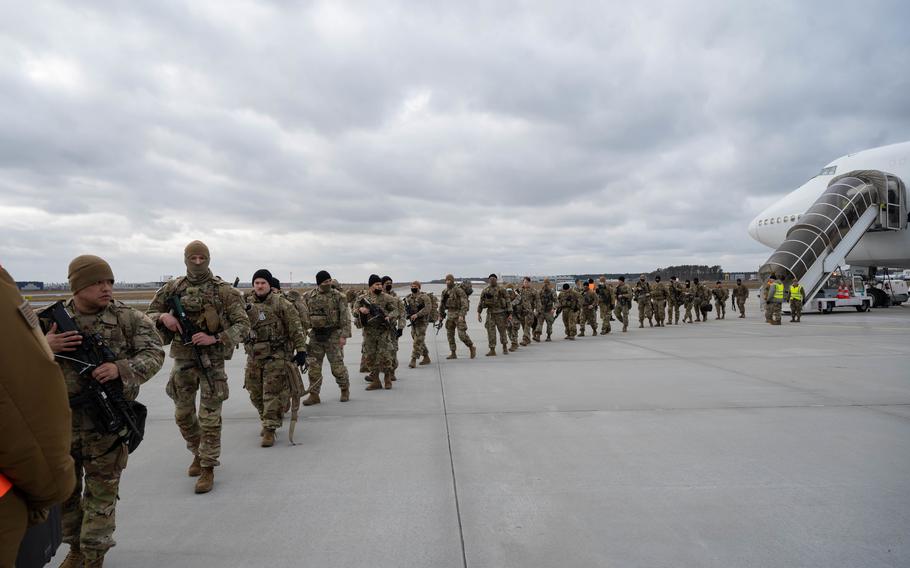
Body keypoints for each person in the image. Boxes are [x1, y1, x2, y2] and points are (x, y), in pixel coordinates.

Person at [41, 255, 164, 567]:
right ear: (78, 285)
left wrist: (120, 368)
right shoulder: (46, 322)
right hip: (59, 425)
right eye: (98, 282)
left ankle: (94, 556)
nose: (107, 288)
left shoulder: (128, 318)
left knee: (101, 496)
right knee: (65, 495)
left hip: (105, 424)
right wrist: (44, 345)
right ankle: (76, 549)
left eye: (110, 281)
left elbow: (154, 352)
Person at [147, 241, 250, 494]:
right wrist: (163, 317)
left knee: (210, 417)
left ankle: (207, 467)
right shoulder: (173, 288)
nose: (197, 262)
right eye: (192, 258)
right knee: (183, 415)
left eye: (201, 258)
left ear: (208, 259)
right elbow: (147, 316)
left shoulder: (224, 291)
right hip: (182, 358)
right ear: (185, 259)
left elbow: (243, 325)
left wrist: (215, 338)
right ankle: (197, 451)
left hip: (211, 361)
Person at [0, 266, 75, 568]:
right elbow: (23, 398)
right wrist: (51, 489)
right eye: (97, 282)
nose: (106, 288)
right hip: (30, 466)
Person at [242, 269, 307, 447]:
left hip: (276, 355)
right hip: (254, 355)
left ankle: (270, 429)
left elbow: (296, 328)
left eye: (263, 283)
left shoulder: (282, 304)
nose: (260, 286)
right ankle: (266, 418)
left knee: (272, 393)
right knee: (254, 392)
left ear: (269, 285)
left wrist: (301, 349)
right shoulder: (245, 304)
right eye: (257, 283)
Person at [303, 270, 352, 404]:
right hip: (315, 336)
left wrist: (344, 336)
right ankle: (314, 394)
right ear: (319, 283)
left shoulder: (339, 297)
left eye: (329, 281)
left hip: (333, 335)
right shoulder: (308, 296)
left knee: (337, 367)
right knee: (313, 367)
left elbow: (345, 318)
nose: (328, 284)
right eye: (325, 282)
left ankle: (344, 389)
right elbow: (303, 315)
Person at [355, 275, 400, 389]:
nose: (380, 286)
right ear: (371, 286)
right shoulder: (362, 298)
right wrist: (361, 310)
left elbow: (395, 310)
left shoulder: (387, 297)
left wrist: (389, 316)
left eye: (380, 284)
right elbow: (354, 310)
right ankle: (376, 381)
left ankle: (387, 378)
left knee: (385, 356)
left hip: (383, 331)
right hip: (369, 332)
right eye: (377, 284)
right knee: (370, 356)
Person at [440, 274, 476, 359]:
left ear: (452, 281)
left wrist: (461, 315)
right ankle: (453, 353)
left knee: (461, 335)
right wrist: (441, 315)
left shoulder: (459, 290)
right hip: (449, 315)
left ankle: (471, 346)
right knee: (450, 335)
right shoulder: (445, 291)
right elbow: (442, 304)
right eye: (447, 280)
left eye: (449, 280)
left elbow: (465, 303)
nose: (448, 282)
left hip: (458, 314)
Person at [477, 274, 512, 356]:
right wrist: (479, 313)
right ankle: (492, 350)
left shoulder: (501, 289)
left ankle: (504, 347)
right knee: (491, 332)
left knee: (502, 331)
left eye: (493, 279)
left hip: (501, 314)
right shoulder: (486, 290)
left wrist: (510, 313)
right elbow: (481, 302)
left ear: (496, 280)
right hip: (490, 314)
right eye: (490, 279)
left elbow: (508, 301)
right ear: (489, 280)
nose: (492, 280)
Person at [381, 276, 405, 380]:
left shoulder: (395, 298)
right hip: (380, 329)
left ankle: (392, 371)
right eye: (386, 283)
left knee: (393, 350)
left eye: (390, 283)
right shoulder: (378, 296)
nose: (389, 284)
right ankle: (376, 373)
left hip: (391, 328)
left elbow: (402, 313)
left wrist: (400, 328)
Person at [404, 281, 432, 368]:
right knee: (416, 338)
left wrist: (417, 314)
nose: (413, 287)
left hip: (422, 322)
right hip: (414, 322)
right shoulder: (408, 298)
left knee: (418, 340)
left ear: (419, 287)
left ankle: (413, 359)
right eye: (412, 286)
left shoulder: (424, 297)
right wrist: (407, 315)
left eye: (415, 286)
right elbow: (404, 309)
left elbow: (428, 308)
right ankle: (426, 357)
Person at [518, 277, 539, 345]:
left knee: (527, 325)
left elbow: (538, 301)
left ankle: (525, 340)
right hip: (521, 312)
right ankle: (528, 338)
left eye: (527, 282)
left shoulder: (534, 291)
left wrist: (537, 311)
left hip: (529, 311)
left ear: (530, 283)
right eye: (524, 282)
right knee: (524, 326)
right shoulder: (519, 290)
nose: (525, 283)